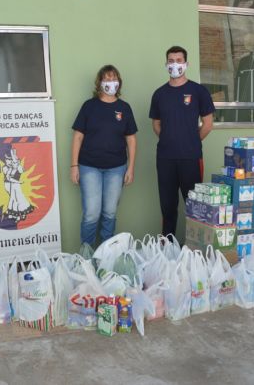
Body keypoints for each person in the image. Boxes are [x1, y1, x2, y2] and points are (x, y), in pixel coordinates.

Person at [149, 46, 214, 237]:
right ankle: (167, 248)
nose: (175, 64)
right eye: (171, 60)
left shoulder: (198, 91)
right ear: (166, 64)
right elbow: (156, 124)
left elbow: (208, 124)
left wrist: (191, 141)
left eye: (179, 60)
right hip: (165, 158)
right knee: (167, 208)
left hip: (191, 158)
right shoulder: (159, 94)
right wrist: (170, 139)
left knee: (194, 207)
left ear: (186, 64)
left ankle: (194, 248)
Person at [71, 64, 137, 246]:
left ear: (119, 83)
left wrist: (130, 168)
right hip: (89, 166)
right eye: (106, 79)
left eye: (114, 79)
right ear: (99, 83)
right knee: (92, 213)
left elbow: (131, 139)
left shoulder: (124, 108)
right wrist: (74, 166)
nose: (110, 82)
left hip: (116, 168)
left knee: (109, 212)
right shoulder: (89, 106)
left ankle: (106, 255)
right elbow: (77, 136)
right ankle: (86, 255)